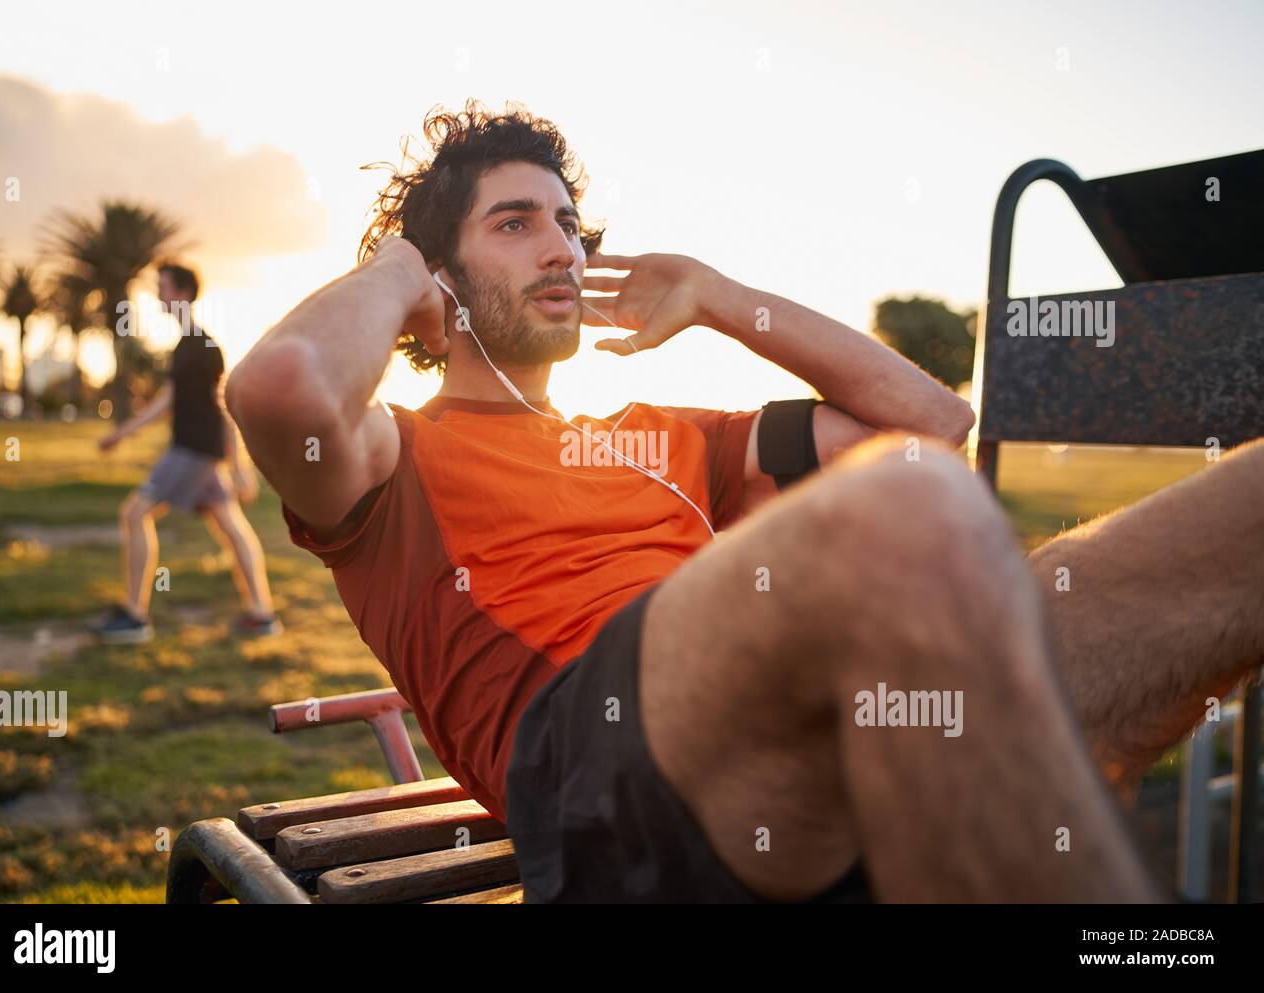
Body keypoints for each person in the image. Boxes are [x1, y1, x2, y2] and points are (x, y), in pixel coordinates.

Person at [225, 100, 1264, 903]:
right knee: (907, 506)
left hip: (828, 718)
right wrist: (399, 260)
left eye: (570, 224)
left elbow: (930, 419)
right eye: (515, 223)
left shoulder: (660, 433)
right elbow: (282, 389)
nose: (563, 248)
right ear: (439, 282)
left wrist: (724, 299)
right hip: (599, 778)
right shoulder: (390, 458)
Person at [92, 263, 283, 643]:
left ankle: (134, 616)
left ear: (181, 292)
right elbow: (185, 401)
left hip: (193, 451)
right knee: (232, 527)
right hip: (203, 453)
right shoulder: (187, 344)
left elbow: (204, 403)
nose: (158, 294)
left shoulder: (200, 345)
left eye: (162, 287)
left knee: (135, 513)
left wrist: (240, 466)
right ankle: (262, 614)